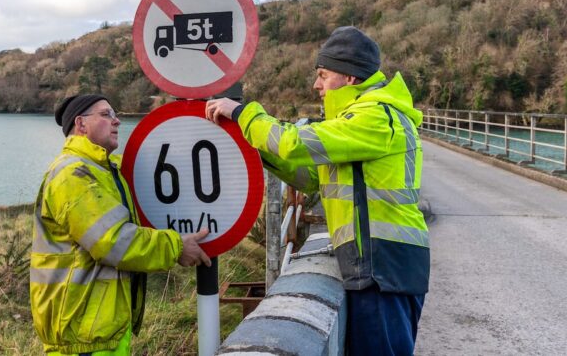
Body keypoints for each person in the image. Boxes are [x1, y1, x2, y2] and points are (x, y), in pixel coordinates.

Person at [206, 26, 429, 356]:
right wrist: (256, 149)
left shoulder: (375, 117)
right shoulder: (361, 119)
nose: (317, 86)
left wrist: (242, 113)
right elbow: (309, 177)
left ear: (350, 76)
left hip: (384, 268)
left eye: (323, 75)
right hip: (375, 264)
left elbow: (292, 142)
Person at [30, 94, 211, 355]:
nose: (117, 122)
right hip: (81, 334)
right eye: (106, 115)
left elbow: (155, 165)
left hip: (99, 327)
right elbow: (113, 241)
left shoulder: (105, 169)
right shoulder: (74, 174)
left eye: (115, 116)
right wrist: (176, 247)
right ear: (80, 125)